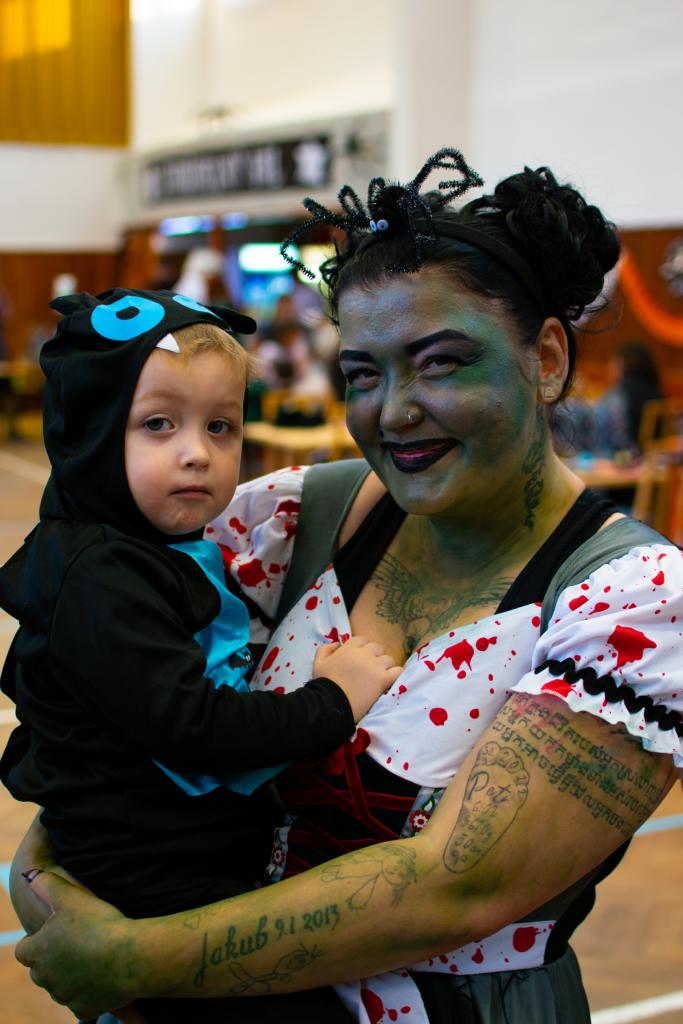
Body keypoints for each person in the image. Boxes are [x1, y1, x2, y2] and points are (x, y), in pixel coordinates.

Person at [10, 150, 682, 1024]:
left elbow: (455, 887)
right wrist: (51, 877)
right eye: (363, 373)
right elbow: (119, 717)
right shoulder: (295, 518)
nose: (392, 410)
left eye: (440, 363)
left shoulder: (632, 604)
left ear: (547, 357)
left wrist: (130, 957)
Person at [0, 287, 401, 1023]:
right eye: (158, 424)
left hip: (177, 857)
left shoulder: (148, 549)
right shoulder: (101, 578)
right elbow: (194, 727)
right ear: (90, 435)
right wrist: (333, 700)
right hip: (154, 879)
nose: (197, 452)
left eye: (220, 426)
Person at [592, 340, 664, 455]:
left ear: (621, 364)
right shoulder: (657, 391)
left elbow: (611, 437)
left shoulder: (617, 394)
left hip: (626, 458)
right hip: (653, 456)